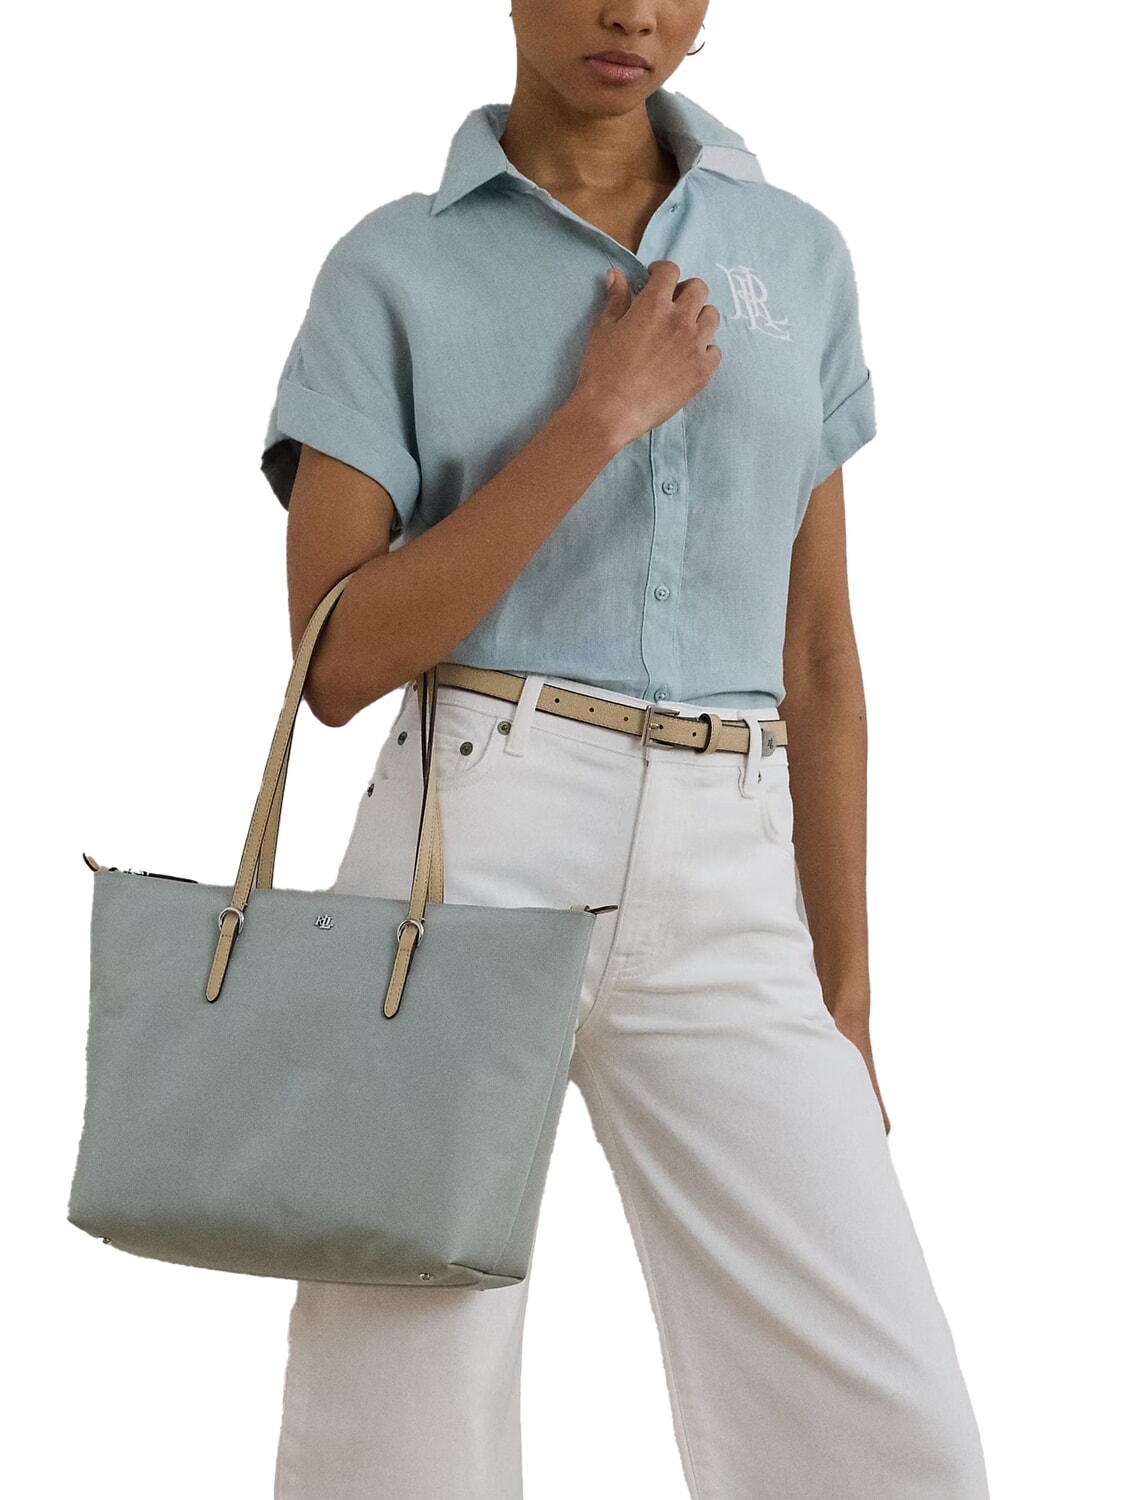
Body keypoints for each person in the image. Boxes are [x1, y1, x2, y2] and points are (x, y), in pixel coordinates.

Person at [259, 3, 991, 1496]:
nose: (633, 12)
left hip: (733, 860)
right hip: (466, 849)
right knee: (403, 1404)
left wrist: (845, 992)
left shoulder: (796, 255)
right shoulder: (392, 267)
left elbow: (816, 655)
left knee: (886, 1424)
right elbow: (334, 664)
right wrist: (595, 417)